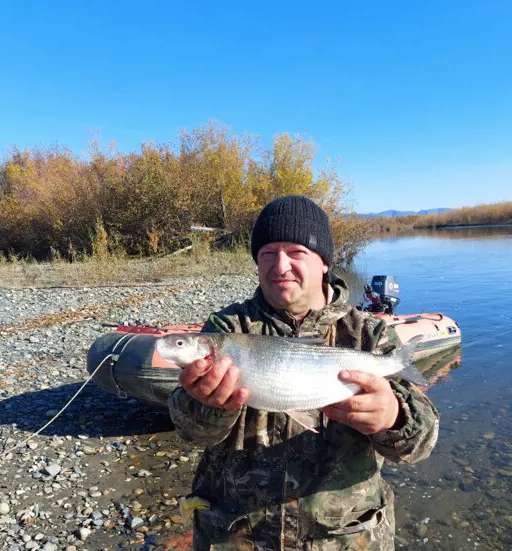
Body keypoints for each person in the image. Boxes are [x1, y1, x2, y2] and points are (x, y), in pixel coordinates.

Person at [167, 195, 440, 550]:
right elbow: (190, 431)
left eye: (296, 252)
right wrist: (204, 405)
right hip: (235, 537)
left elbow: (422, 443)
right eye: (268, 253)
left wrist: (393, 415)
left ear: (323, 262)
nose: (280, 265)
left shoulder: (368, 336)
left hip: (344, 540)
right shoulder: (227, 328)